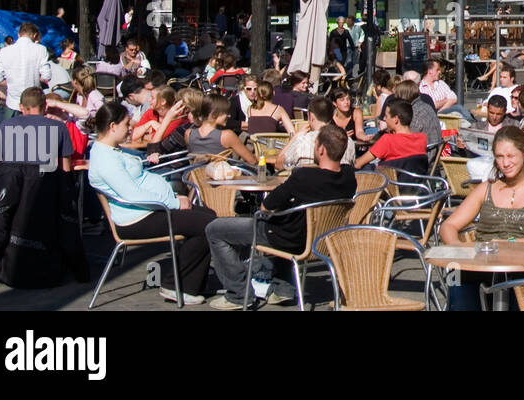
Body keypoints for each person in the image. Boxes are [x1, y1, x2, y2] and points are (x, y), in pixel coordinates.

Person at [205, 124, 356, 309]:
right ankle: (283, 289)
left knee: (214, 230)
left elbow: (266, 206)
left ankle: (238, 294)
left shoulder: (304, 176)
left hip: (289, 237)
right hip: (324, 240)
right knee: (288, 221)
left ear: (321, 149)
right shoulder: (349, 177)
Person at [88, 100, 216, 304]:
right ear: (113, 127)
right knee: (207, 225)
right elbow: (132, 194)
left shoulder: (114, 150)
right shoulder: (104, 158)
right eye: (127, 124)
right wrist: (174, 202)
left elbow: (139, 166)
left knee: (209, 216)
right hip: (136, 219)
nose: (131, 128)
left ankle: (191, 282)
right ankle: (176, 285)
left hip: (149, 211)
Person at [440, 125, 524, 310]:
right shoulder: (486, 189)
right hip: (482, 268)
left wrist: (511, 243)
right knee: (457, 283)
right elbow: (448, 226)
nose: (505, 163)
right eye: (499, 157)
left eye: (510, 156)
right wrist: (459, 249)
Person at [0, 87, 73, 172]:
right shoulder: (60, 127)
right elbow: (65, 168)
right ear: (45, 106)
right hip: (44, 181)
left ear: (21, 107)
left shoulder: (5, 125)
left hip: (11, 180)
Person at [277, 96, 355, 169]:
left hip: (307, 183)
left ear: (311, 117)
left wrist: (296, 136)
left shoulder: (302, 140)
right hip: (337, 182)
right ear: (332, 115)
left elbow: (279, 164)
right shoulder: (348, 141)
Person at [0, 22, 51, 115]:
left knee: (10, 129)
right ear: (35, 35)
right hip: (33, 104)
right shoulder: (41, 49)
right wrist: (33, 77)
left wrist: (11, 81)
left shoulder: (4, 51)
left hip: (13, 103)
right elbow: (47, 76)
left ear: (18, 35)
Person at [355, 99, 427, 169]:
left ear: (395, 119)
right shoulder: (422, 138)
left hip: (389, 180)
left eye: (386, 116)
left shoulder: (388, 140)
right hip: (414, 180)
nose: (384, 118)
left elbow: (358, 164)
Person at [186, 95, 258, 164]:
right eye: (226, 113)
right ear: (214, 115)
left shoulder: (188, 133)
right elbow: (252, 160)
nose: (229, 116)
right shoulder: (226, 135)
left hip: (196, 174)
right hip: (222, 175)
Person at [396, 77, 441, 147]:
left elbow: (410, 139)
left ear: (403, 97)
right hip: (431, 148)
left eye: (397, 98)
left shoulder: (416, 112)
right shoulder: (425, 106)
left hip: (424, 152)